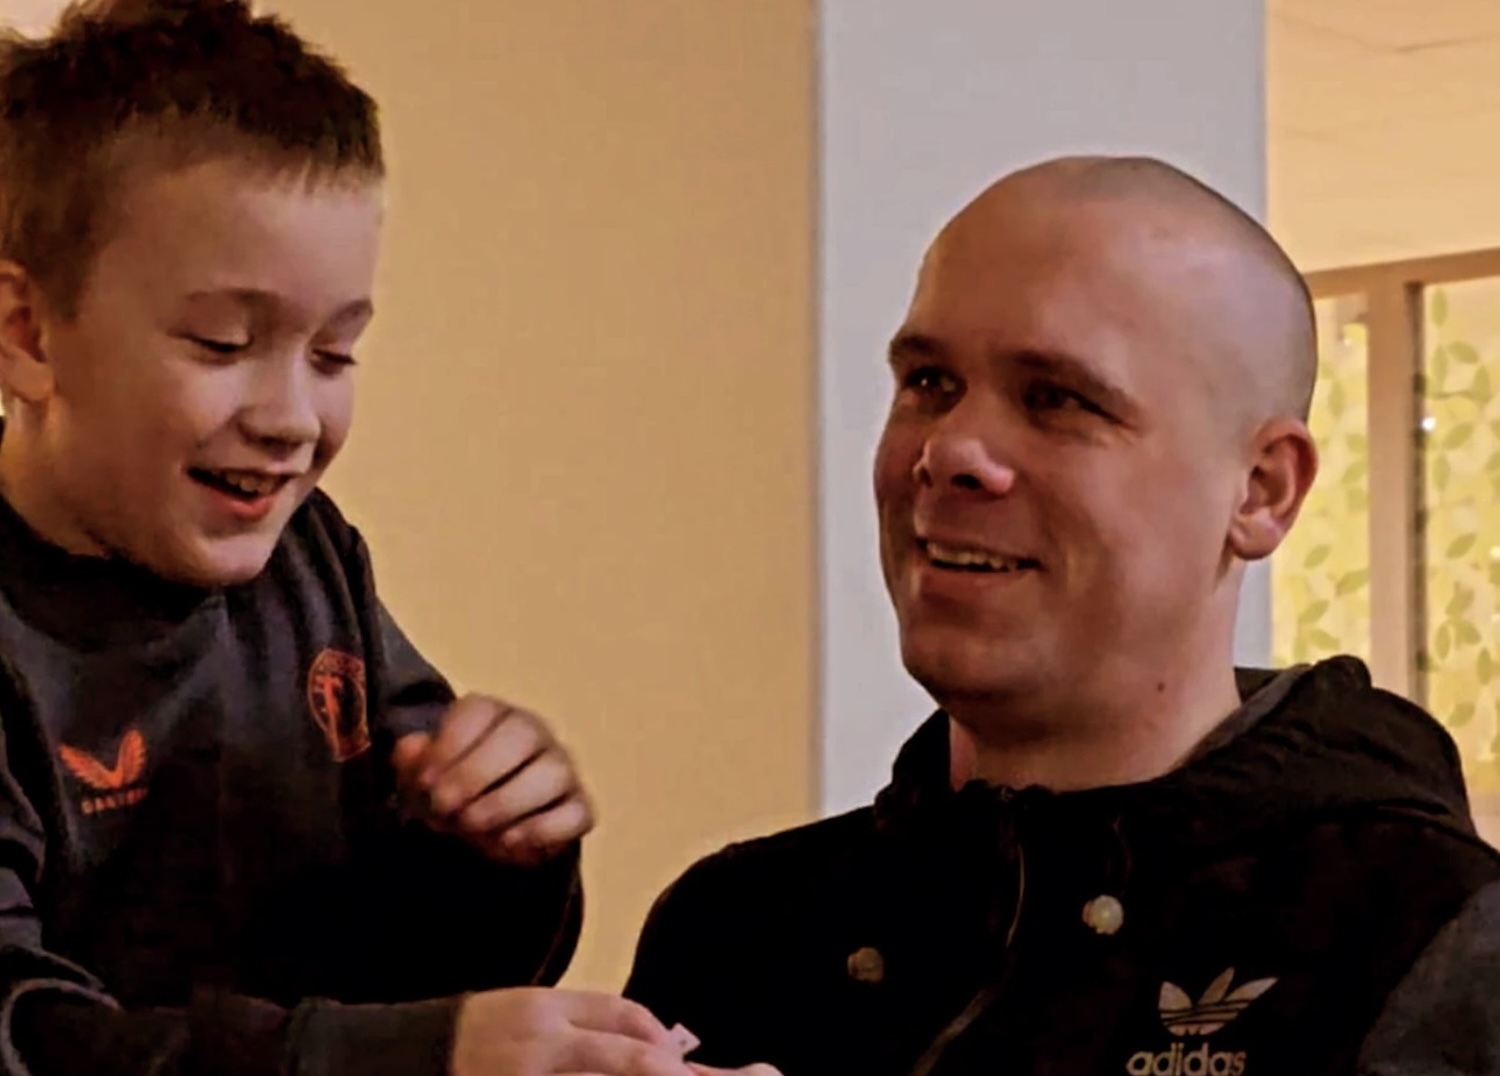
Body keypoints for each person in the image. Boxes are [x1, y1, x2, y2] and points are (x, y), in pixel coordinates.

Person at [623, 155, 1500, 1075]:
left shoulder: (1423, 947)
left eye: (1056, 400)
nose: (952, 450)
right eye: (929, 382)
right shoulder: (739, 929)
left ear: (1260, 490)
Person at [0, 2, 747, 1074]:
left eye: (335, 354)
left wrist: (492, 851)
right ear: (28, 334)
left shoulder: (312, 564)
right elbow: (20, 1034)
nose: (292, 419)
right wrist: (412, 1054)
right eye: (223, 343)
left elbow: (409, 968)